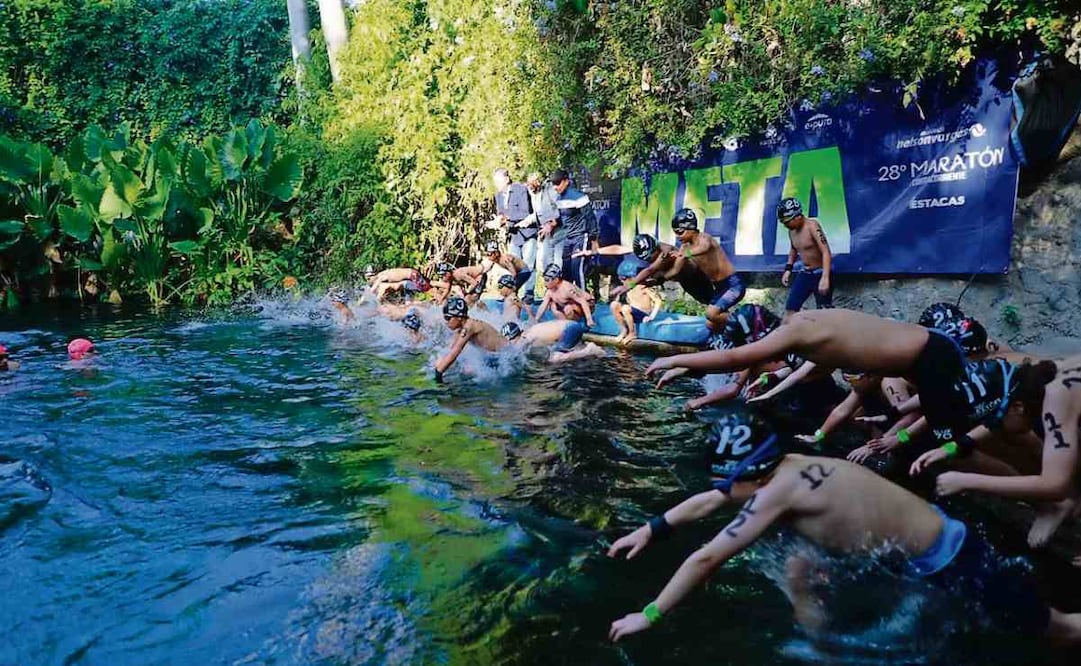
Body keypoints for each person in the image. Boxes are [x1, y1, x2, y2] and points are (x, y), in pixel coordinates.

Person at [606, 406, 1081, 645]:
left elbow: (707, 556)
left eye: (728, 483)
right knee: (797, 566)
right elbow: (712, 499)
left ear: (750, 476)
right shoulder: (786, 463)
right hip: (926, 541)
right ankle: (822, 646)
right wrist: (652, 529)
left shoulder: (777, 493)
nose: (722, 493)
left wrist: (648, 615)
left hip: (952, 561)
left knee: (1056, 630)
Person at [645, 309, 976, 457]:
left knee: (951, 447)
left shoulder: (797, 334)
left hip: (934, 357)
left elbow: (734, 359)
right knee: (937, 437)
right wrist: (687, 369)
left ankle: (1016, 493)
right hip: (931, 352)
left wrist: (674, 359)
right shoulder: (808, 331)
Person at [909, 357, 1081, 554]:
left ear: (1018, 408)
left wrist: (965, 480)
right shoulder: (1054, 371)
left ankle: (1056, 507)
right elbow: (994, 424)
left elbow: (1055, 485)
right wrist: (945, 448)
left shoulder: (1056, 398)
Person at [668, 208, 744, 332]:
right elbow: (675, 270)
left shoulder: (704, 238)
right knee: (711, 324)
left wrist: (685, 254)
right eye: (675, 233)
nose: (677, 236)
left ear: (691, 229)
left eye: (680, 232)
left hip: (733, 284)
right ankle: (737, 337)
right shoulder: (684, 248)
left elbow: (704, 248)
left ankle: (748, 319)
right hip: (720, 288)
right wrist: (659, 278)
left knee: (711, 314)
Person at [778, 197, 833, 320]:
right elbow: (793, 249)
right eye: (783, 223)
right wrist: (788, 269)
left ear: (797, 216)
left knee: (825, 314)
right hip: (805, 273)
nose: (785, 225)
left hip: (820, 273)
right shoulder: (791, 231)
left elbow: (826, 252)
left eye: (787, 222)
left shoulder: (812, 226)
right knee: (790, 310)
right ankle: (791, 337)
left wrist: (825, 277)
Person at [433, 297, 506, 382]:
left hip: (503, 357)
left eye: (448, 318)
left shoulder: (469, 327)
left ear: (459, 317)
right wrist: (437, 364)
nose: (446, 322)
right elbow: (450, 349)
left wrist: (438, 374)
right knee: (465, 369)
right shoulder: (461, 328)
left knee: (469, 372)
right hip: (494, 356)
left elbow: (454, 353)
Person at [490, 168, 538, 299]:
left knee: (528, 266)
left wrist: (507, 218)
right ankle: (512, 293)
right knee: (512, 266)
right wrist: (498, 221)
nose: (497, 185)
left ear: (506, 179)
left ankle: (528, 293)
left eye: (499, 181)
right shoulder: (498, 195)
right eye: (495, 182)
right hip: (513, 235)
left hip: (528, 233)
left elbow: (525, 213)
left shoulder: (520, 190)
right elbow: (501, 214)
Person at [550, 169, 599, 290]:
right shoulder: (559, 199)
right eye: (553, 184)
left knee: (577, 270)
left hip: (581, 237)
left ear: (566, 181)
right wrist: (553, 223)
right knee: (566, 271)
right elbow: (564, 219)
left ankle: (585, 301)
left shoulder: (579, 197)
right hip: (568, 238)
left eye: (558, 183)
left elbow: (590, 218)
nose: (555, 187)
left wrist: (593, 240)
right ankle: (569, 302)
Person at [523, 172, 564, 293]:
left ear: (538, 182)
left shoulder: (550, 190)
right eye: (528, 184)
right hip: (545, 232)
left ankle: (559, 290)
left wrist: (552, 223)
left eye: (532, 183)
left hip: (559, 230)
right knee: (545, 261)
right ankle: (550, 289)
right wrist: (525, 221)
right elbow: (537, 214)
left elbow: (561, 208)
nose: (529, 187)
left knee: (557, 261)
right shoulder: (533, 194)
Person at [501, 321, 606, 364]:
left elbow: (517, 352)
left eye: (510, 341)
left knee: (553, 359)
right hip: (572, 326)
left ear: (512, 337)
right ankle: (585, 349)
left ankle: (589, 350)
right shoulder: (527, 331)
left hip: (570, 329)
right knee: (556, 350)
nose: (511, 344)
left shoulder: (525, 338)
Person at [610, 260, 663, 344]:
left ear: (633, 278)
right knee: (614, 305)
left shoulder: (644, 287)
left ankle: (632, 333)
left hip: (643, 314)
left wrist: (651, 316)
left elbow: (658, 301)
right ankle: (623, 330)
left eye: (624, 279)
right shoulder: (627, 288)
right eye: (620, 279)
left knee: (625, 308)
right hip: (631, 313)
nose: (622, 281)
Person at [535, 263, 597, 328]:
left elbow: (583, 301)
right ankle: (565, 324)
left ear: (556, 280)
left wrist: (589, 319)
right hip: (571, 305)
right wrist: (536, 319)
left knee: (568, 308)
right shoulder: (549, 291)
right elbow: (543, 306)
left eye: (547, 280)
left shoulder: (567, 289)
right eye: (544, 280)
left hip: (588, 304)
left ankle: (573, 324)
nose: (545, 283)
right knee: (553, 306)